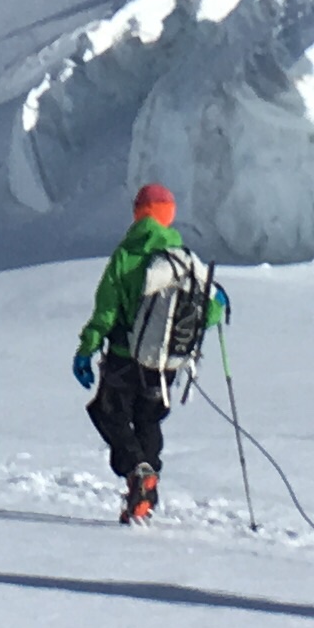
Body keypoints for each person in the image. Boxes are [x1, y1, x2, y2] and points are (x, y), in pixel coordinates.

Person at [72, 183, 223, 524]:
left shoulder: (127, 256)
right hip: (167, 364)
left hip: (126, 356)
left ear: (138, 213)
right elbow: (209, 312)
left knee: (107, 411)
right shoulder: (183, 259)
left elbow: (106, 314)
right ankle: (145, 493)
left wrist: (87, 350)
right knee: (148, 419)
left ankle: (137, 473)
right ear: (168, 216)